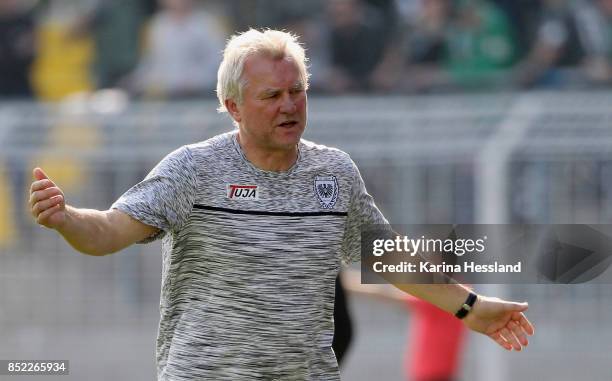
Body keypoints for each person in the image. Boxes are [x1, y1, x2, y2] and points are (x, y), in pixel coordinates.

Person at [29, 29, 534, 380]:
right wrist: (66, 218)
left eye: (297, 91)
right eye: (271, 95)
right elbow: (110, 232)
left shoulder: (334, 172)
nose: (289, 105)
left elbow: (388, 257)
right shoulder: (192, 169)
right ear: (233, 107)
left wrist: (470, 306)